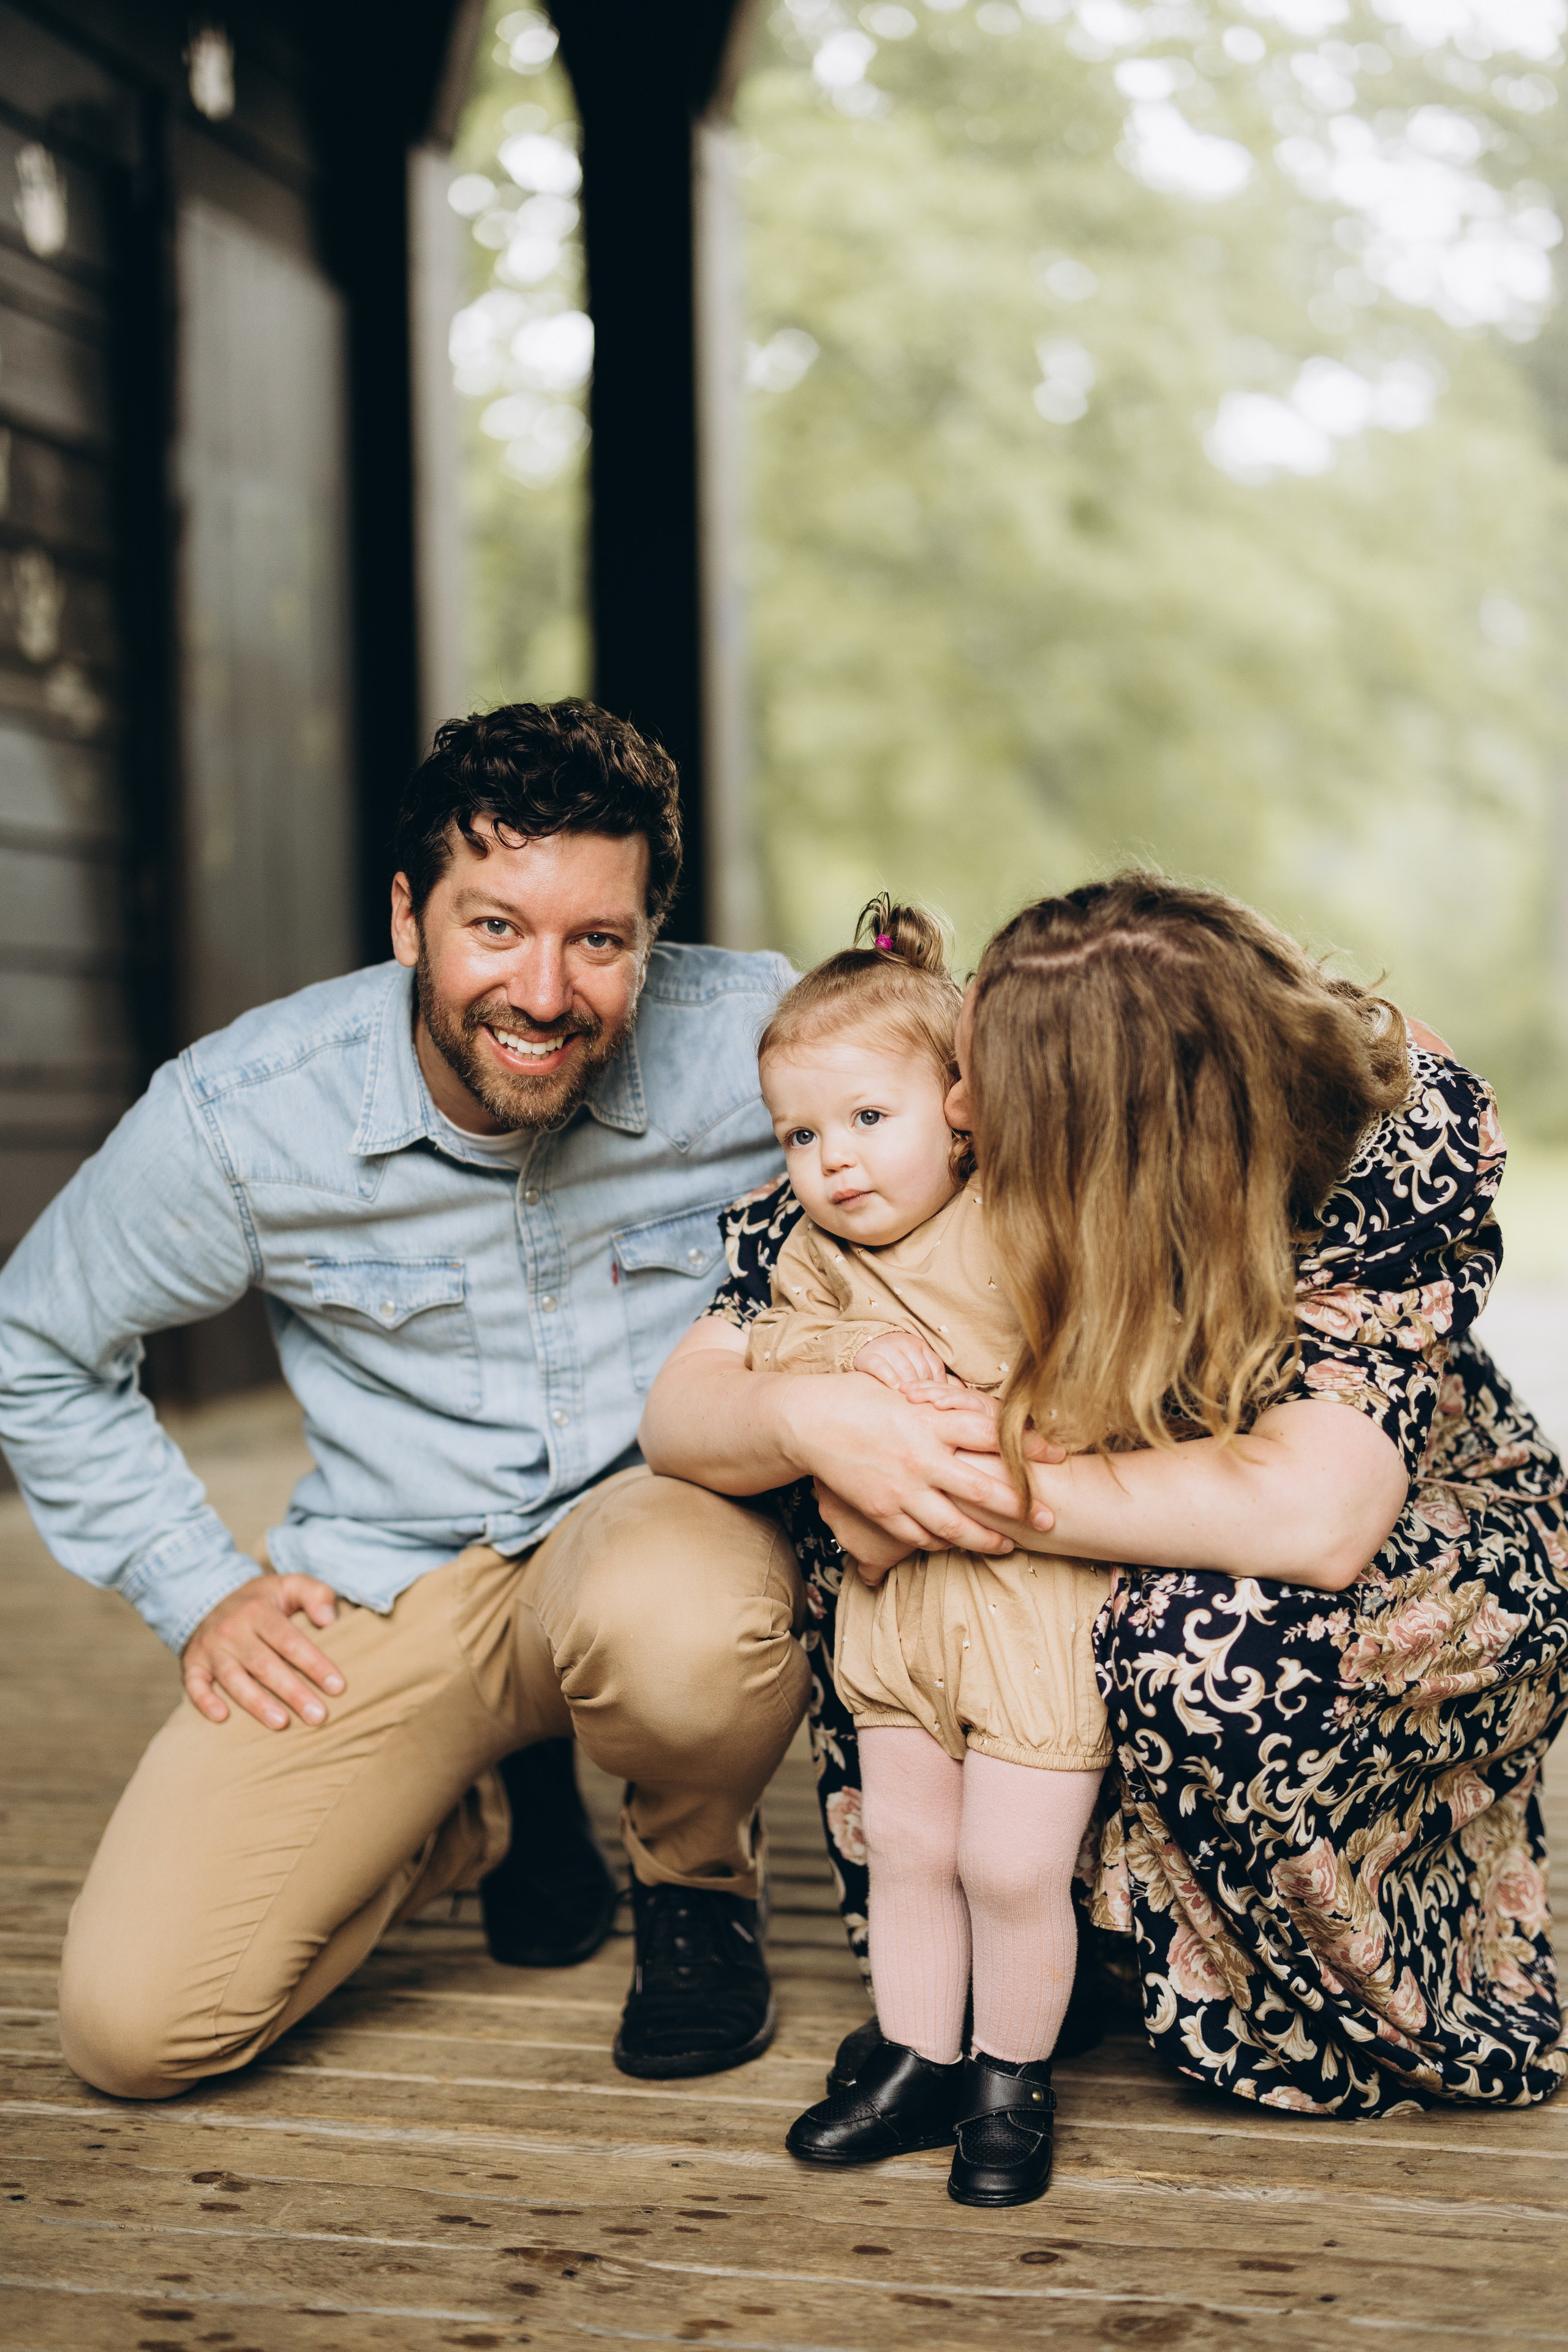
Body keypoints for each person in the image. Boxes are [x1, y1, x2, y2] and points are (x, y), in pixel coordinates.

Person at [643, 873, 1568, 2119]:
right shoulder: (943, 1126)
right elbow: (699, 1393)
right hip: (1081, 1465)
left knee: (1191, 1641)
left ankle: (1263, 1971)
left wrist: (928, 1473)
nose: (954, 1110)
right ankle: (1007, 1961)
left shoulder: (1378, 1133)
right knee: (867, 1522)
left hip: (1401, 1513)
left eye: (982, 1089)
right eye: (959, 1062)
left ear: (1125, 1127)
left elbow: (1312, 1513)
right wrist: (814, 1421)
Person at [0, 699, 810, 2099]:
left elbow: (981, 1131)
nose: (544, 994)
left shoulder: (756, 1043)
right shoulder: (247, 1115)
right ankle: (474, 1814)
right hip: (394, 1577)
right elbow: (38, 1342)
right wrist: (193, 1584)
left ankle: (693, 1880)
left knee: (677, 1630)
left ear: (650, 942)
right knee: (135, 2031)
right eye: (494, 927)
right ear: (407, 919)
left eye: (596, 942)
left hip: (650, 1538)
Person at [736, 900, 1108, 2204]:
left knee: (1009, 1863)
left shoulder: (1020, 1222)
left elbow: (1100, 1360)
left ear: (959, 1108)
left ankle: (1010, 2082)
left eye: (865, 1120)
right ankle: (914, 2056)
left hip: (1025, 1605)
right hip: (893, 1608)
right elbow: (767, 1350)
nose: (831, 1161)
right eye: (799, 1134)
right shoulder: (816, 1261)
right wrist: (849, 1355)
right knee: (903, 1841)